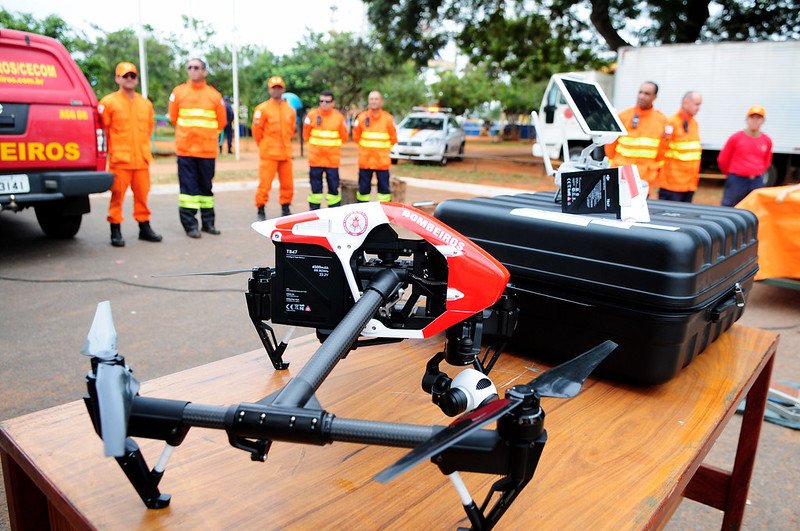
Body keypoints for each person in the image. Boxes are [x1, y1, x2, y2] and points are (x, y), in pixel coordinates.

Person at [98, 61, 162, 247]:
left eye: (132, 75)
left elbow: (149, 129)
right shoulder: (108, 103)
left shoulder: (145, 104)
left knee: (143, 195)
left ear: (137, 79)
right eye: (125, 75)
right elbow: (104, 131)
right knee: (117, 196)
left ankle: (144, 227)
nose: (129, 79)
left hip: (141, 160)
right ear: (117, 78)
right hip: (120, 160)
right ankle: (115, 229)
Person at [168, 58, 227, 238]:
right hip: (186, 150)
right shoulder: (178, 92)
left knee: (206, 189)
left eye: (197, 67)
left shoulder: (214, 95)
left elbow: (222, 121)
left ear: (204, 72)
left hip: (207, 151)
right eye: (190, 67)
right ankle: (190, 225)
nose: (193, 70)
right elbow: (173, 117)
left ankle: (208, 223)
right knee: (188, 190)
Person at [605, 81, 668, 194]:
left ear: (655, 97)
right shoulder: (623, 116)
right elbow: (610, 144)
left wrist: (655, 169)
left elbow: (663, 149)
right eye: (640, 92)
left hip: (645, 177)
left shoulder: (661, 120)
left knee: (640, 209)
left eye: (647, 94)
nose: (641, 96)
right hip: (622, 173)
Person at [252, 76, 296, 219]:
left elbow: (291, 130)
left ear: (283, 89)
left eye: (279, 87)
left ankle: (285, 208)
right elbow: (256, 131)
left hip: (285, 153)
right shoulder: (262, 109)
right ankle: (261, 209)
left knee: (288, 184)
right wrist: (264, 145)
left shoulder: (290, 110)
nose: (277, 90)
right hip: (269, 153)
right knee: (264, 184)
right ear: (269, 90)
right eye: (274, 87)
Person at [718, 106, 773, 207]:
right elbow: (723, 159)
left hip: (756, 181)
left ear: (763, 121)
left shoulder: (766, 140)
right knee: (730, 207)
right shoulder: (736, 138)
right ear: (747, 119)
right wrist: (732, 174)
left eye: (758, 118)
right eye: (752, 117)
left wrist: (757, 172)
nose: (755, 121)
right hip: (737, 180)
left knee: (754, 209)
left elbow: (767, 160)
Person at [302, 89, 348, 210]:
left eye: (327, 101)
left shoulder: (339, 118)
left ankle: (334, 213)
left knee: (333, 189)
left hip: (332, 161)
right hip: (315, 160)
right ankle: (314, 213)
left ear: (333, 103)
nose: (324, 103)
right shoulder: (311, 115)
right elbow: (305, 135)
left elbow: (344, 137)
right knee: (315, 190)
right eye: (321, 101)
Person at [656, 91, 703, 202]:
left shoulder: (694, 124)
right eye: (696, 104)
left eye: (700, 105)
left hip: (689, 184)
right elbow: (661, 150)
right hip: (671, 184)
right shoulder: (672, 123)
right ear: (686, 103)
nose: (698, 108)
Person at [352, 91, 397, 203]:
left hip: (382, 163)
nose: (373, 101)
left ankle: (384, 218)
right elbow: (356, 137)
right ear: (368, 101)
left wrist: (381, 150)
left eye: (376, 99)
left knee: (384, 193)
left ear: (381, 101)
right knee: (363, 192)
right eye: (371, 99)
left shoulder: (388, 118)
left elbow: (393, 138)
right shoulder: (361, 118)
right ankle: (363, 216)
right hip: (365, 162)